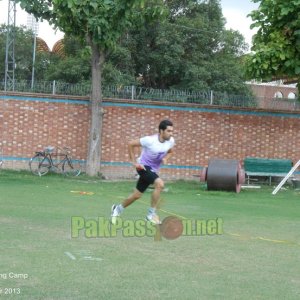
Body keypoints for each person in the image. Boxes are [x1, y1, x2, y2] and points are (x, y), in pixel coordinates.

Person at [111, 119, 175, 225]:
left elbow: (171, 151)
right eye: (168, 131)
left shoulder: (170, 141)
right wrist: (133, 162)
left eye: (172, 131)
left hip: (152, 170)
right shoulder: (149, 140)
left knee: (136, 195)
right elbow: (131, 144)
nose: (171, 133)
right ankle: (151, 215)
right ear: (161, 131)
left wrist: (166, 158)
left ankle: (117, 209)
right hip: (142, 167)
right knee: (160, 184)